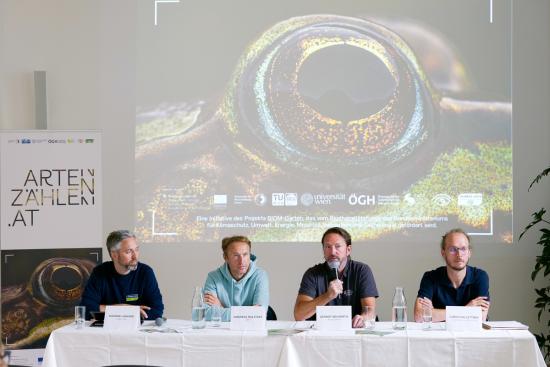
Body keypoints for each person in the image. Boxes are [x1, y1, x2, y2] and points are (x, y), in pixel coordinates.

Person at [294, 227, 378, 328]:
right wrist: (327, 296)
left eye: (337, 246)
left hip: (354, 332)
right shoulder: (312, 274)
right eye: (328, 247)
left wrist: (363, 318)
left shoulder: (362, 270)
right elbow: (299, 315)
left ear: (348, 250)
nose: (333, 252)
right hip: (321, 335)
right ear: (323, 250)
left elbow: (370, 311)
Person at [80, 230, 164, 320]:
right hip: (107, 330)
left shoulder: (145, 272)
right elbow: (85, 310)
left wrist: (111, 311)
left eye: (136, 250)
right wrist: (124, 309)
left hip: (138, 331)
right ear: (114, 255)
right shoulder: (100, 272)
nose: (135, 257)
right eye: (129, 252)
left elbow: (157, 311)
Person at [414, 228, 490, 322]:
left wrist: (434, 313)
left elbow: (480, 318)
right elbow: (419, 316)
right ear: (443, 253)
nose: (459, 254)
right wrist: (467, 310)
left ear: (469, 253)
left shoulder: (480, 276)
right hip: (441, 336)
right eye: (453, 249)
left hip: (471, 336)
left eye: (463, 249)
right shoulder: (430, 277)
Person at [203, 235, 269, 321]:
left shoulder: (260, 276)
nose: (242, 261)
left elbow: (259, 313)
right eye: (236, 255)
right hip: (223, 331)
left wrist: (221, 308)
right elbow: (207, 314)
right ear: (226, 257)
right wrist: (248, 313)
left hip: (251, 330)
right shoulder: (213, 277)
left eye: (245, 254)